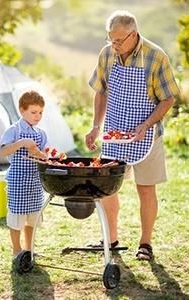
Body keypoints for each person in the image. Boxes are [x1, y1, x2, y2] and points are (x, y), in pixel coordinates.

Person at [85, 10, 179, 261]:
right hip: (115, 134)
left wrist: (146, 125)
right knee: (108, 188)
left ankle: (145, 244)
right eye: (110, 39)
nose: (113, 45)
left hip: (146, 136)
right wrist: (96, 126)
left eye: (118, 40)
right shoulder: (107, 54)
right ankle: (111, 239)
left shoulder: (156, 56)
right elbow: (101, 91)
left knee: (146, 190)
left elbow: (168, 98)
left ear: (133, 34)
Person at [0, 91, 48, 258]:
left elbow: (45, 154)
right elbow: (3, 151)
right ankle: (16, 250)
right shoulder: (14, 130)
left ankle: (29, 249)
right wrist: (21, 143)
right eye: (33, 112)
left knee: (32, 217)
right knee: (17, 218)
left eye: (40, 112)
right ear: (22, 110)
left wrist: (40, 154)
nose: (37, 116)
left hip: (35, 181)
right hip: (18, 181)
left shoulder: (41, 133)